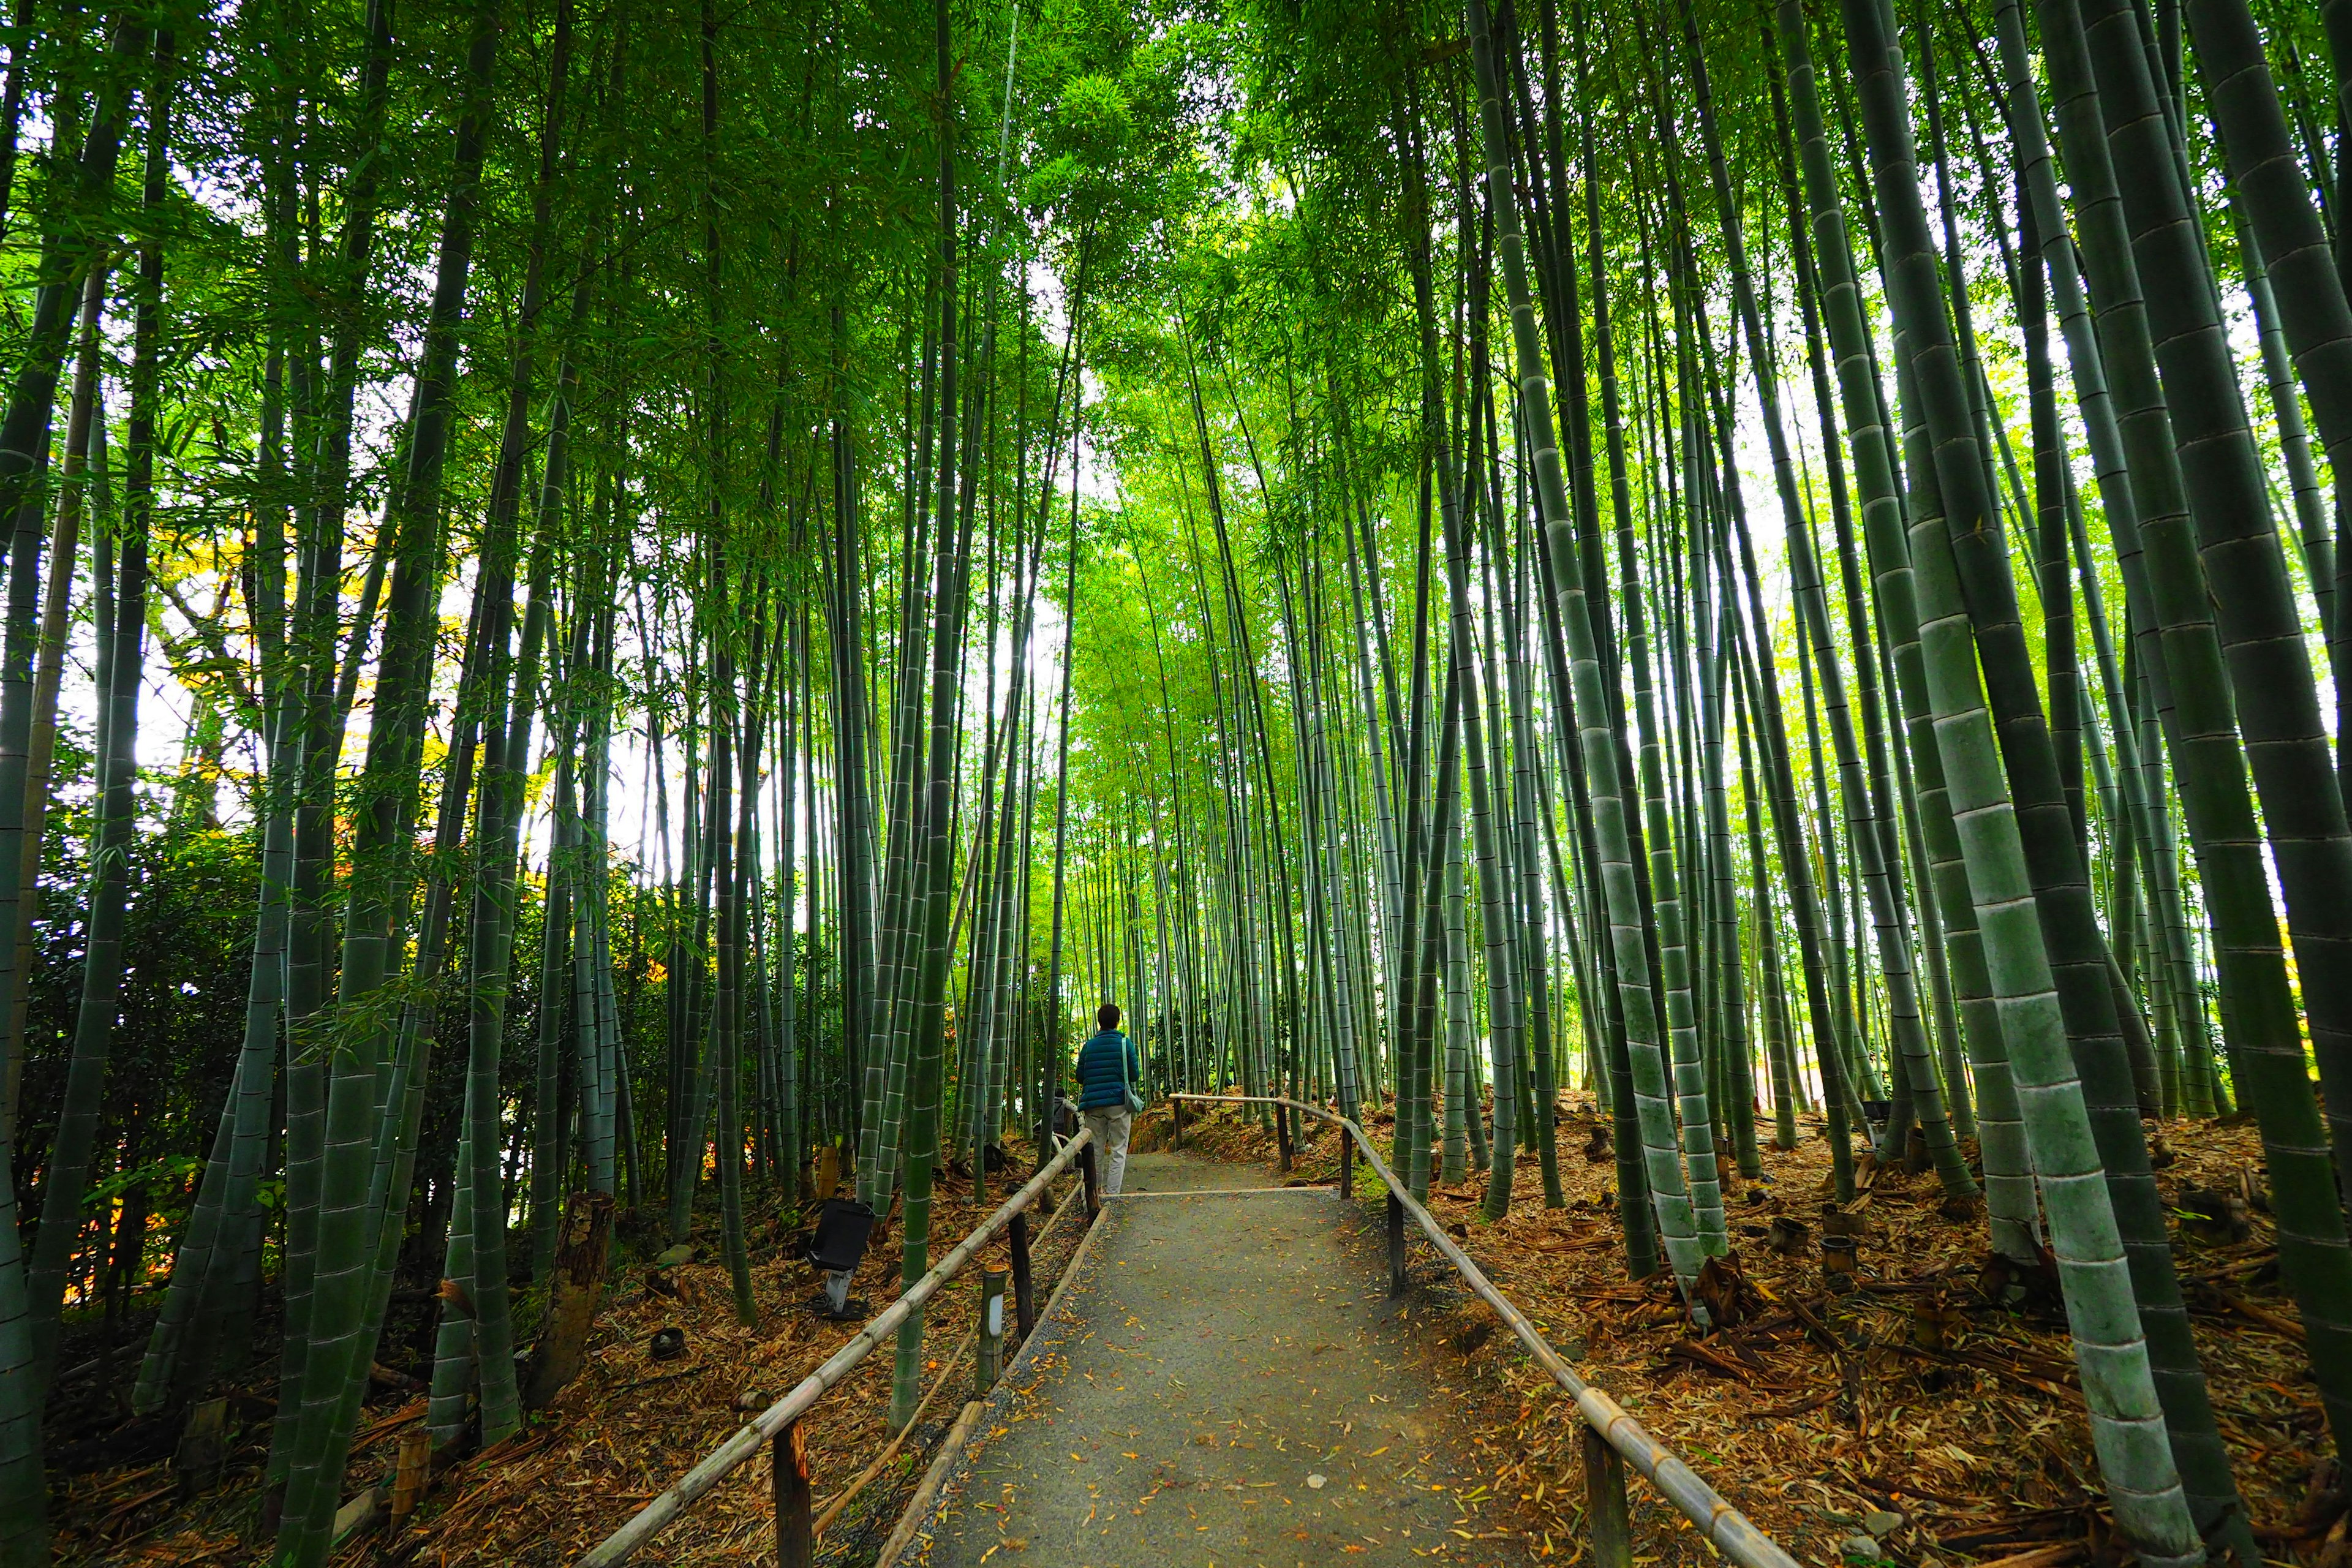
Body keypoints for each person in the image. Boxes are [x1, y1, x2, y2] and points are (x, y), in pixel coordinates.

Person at [1071, 1003, 1143, 1197]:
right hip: (1118, 1103)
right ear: (1117, 1021)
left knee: (1095, 1151)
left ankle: (1094, 1194)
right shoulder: (1124, 1044)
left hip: (1093, 1106)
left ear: (1099, 1022)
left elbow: (1080, 1077)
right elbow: (1134, 1075)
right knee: (1119, 1149)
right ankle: (1112, 1196)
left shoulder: (1088, 1047)